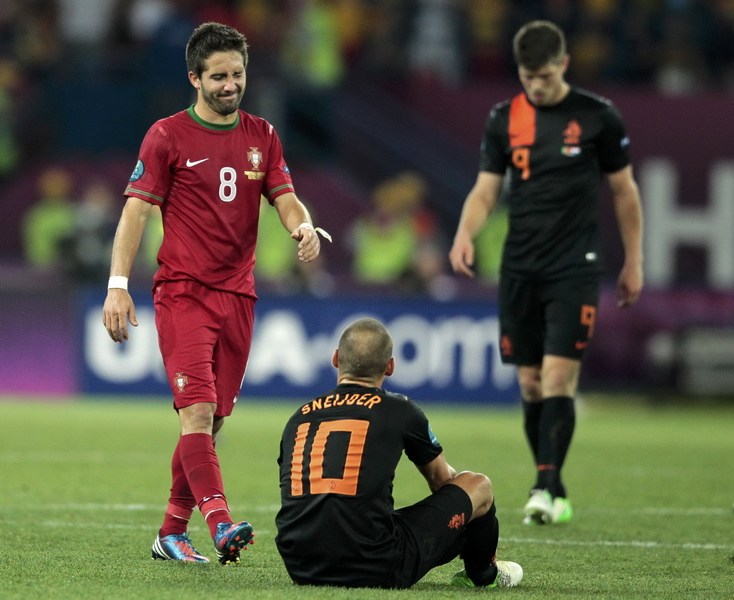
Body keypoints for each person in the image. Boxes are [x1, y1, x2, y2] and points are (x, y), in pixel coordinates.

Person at [102, 22, 328, 564]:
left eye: (238, 74)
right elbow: (136, 209)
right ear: (194, 78)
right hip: (183, 292)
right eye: (219, 76)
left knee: (213, 421)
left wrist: (301, 225)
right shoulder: (167, 136)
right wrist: (117, 285)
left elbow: (285, 195)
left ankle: (170, 532)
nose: (231, 84)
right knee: (197, 414)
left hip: (238, 296)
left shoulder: (263, 135)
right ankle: (220, 523)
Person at [449, 20, 644, 526]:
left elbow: (624, 191)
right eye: (526, 77)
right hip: (520, 266)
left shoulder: (598, 117)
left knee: (560, 375)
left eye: (543, 75)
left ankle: (546, 484)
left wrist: (634, 259)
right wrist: (465, 233)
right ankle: (551, 482)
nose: (534, 86)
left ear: (563, 64)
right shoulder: (503, 118)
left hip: (574, 265)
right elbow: (487, 188)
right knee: (532, 383)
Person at [275, 317, 523, 589]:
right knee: (479, 487)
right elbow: (442, 482)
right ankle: (484, 572)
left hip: (300, 566)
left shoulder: (299, 417)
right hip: (374, 565)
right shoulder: (400, 410)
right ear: (390, 367)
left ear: (336, 359)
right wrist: (475, 526)